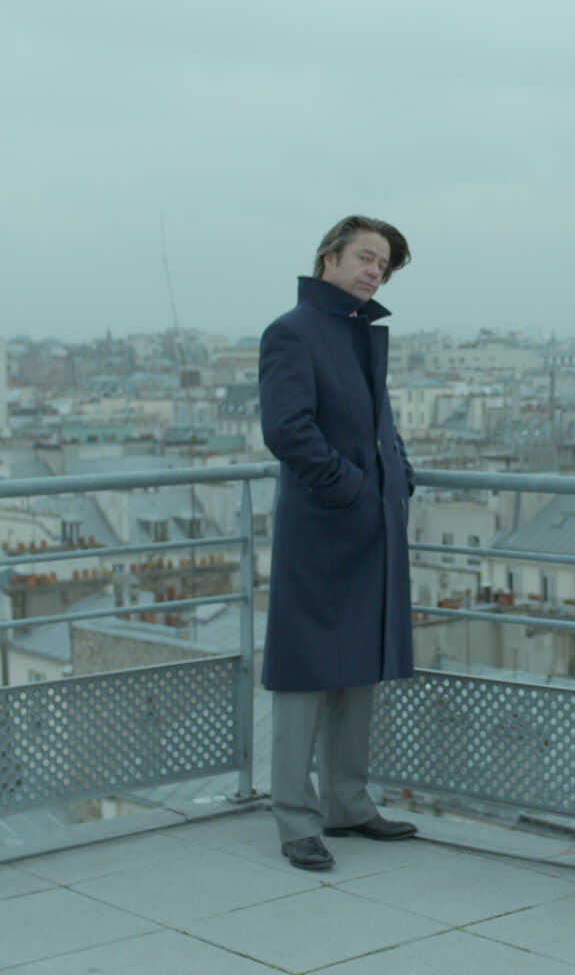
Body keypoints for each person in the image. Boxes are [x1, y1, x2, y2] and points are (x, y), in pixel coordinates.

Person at [259, 214, 419, 871]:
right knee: (303, 677)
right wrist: (352, 489)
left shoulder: (357, 332)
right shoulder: (291, 331)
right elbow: (287, 430)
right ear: (330, 257)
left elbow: (377, 425)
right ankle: (296, 819)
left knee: (359, 670)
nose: (374, 271)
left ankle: (348, 804)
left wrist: (398, 476)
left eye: (382, 264)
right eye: (365, 257)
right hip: (322, 529)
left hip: (369, 527)